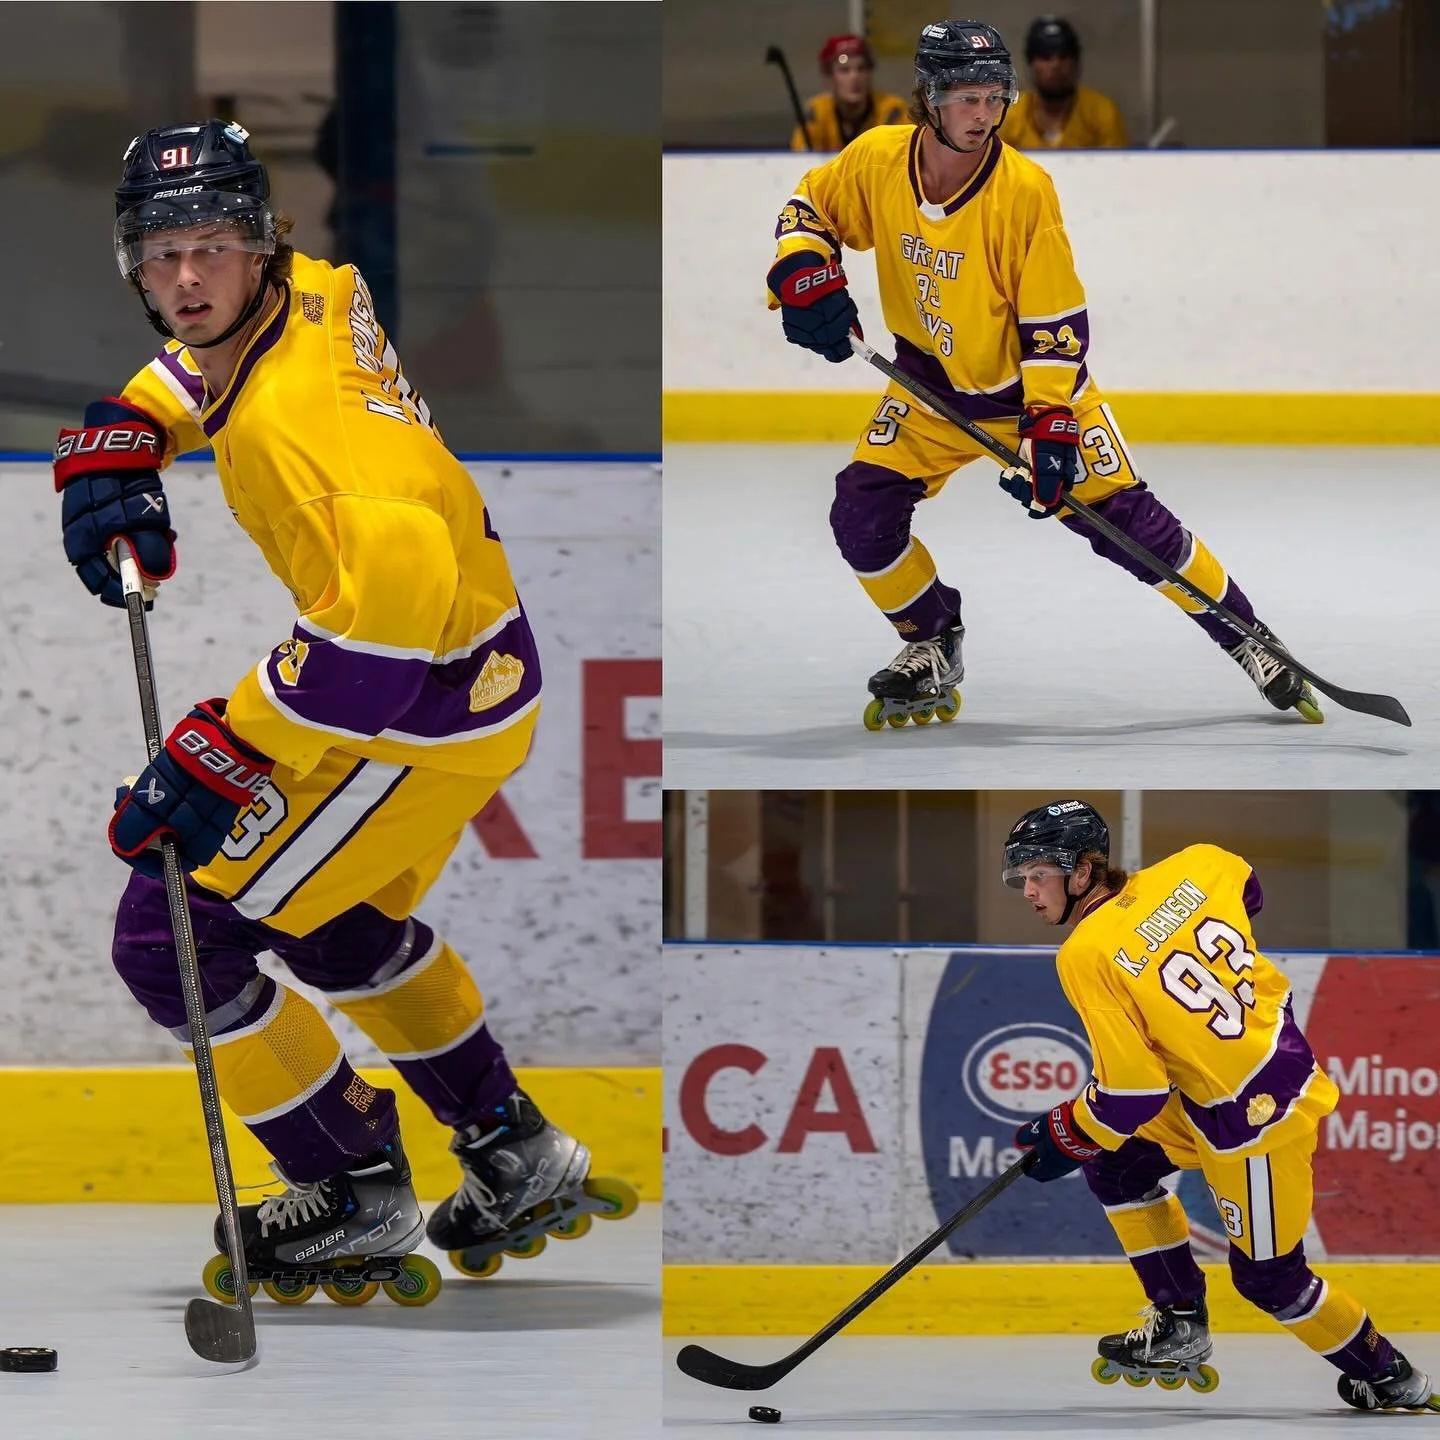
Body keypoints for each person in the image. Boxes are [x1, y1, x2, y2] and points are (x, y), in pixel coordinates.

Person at [53, 120, 629, 1300]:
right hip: (464, 679)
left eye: (211, 249)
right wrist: (131, 432)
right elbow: (201, 361)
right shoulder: (310, 290)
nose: (186, 281)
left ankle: (352, 1183)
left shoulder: (315, 443)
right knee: (327, 917)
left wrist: (217, 752)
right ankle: (507, 1142)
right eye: (160, 256)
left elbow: (365, 663)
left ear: (261, 240)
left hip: (410, 710)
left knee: (170, 936)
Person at [765, 20, 1318, 730]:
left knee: (1134, 529)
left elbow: (1055, 326)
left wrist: (1050, 420)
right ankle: (931, 640)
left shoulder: (1025, 191)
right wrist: (804, 271)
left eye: (995, 96)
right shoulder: (875, 160)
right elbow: (807, 209)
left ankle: (1247, 636)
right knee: (860, 517)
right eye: (966, 97)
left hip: (1031, 395)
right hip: (929, 392)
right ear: (928, 97)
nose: (984, 113)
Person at [1002, 800, 1438, 1414]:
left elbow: (1132, 1093)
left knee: (1270, 1280)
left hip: (1253, 1119)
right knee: (1118, 1168)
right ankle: (1180, 1321)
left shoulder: (1085, 954)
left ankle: (1390, 1374)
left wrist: (1067, 1130)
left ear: (1081, 871)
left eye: (1037, 874)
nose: (1028, 890)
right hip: (1233, 1082)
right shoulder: (1199, 864)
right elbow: (1249, 893)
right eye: (1021, 877)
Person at [1000, 15, 1127, 150]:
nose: (1056, 65)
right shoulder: (1009, 115)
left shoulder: (1101, 111)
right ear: (1030, 65)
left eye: (1064, 56)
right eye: (1045, 57)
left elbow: (1120, 166)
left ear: (1076, 63)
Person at [791, 34, 908, 152]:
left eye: (861, 68)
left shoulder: (891, 110)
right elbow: (801, 156)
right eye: (844, 70)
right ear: (830, 78)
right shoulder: (818, 111)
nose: (854, 77)